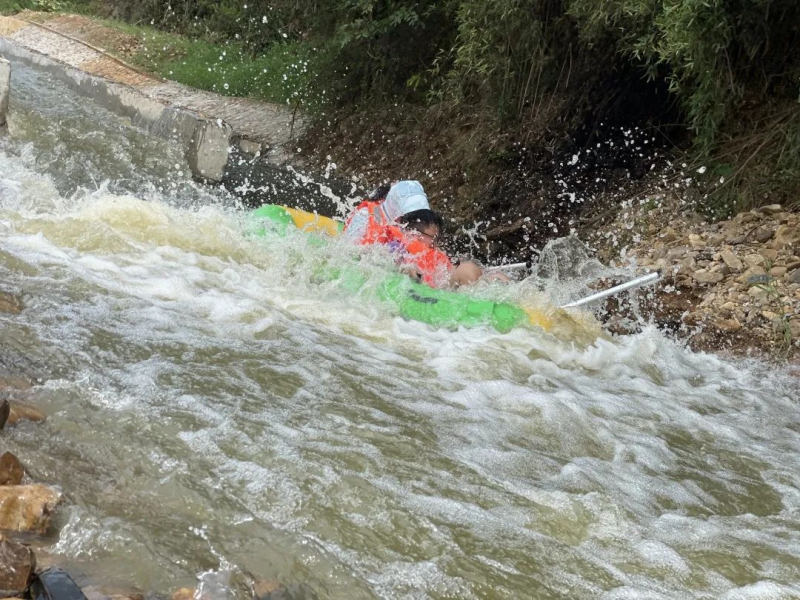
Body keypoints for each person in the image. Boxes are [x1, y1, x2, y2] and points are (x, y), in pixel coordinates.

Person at [343, 180, 507, 288]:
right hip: (400, 273)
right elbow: (353, 255)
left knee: (483, 273)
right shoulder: (371, 219)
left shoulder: (413, 239)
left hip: (436, 281)